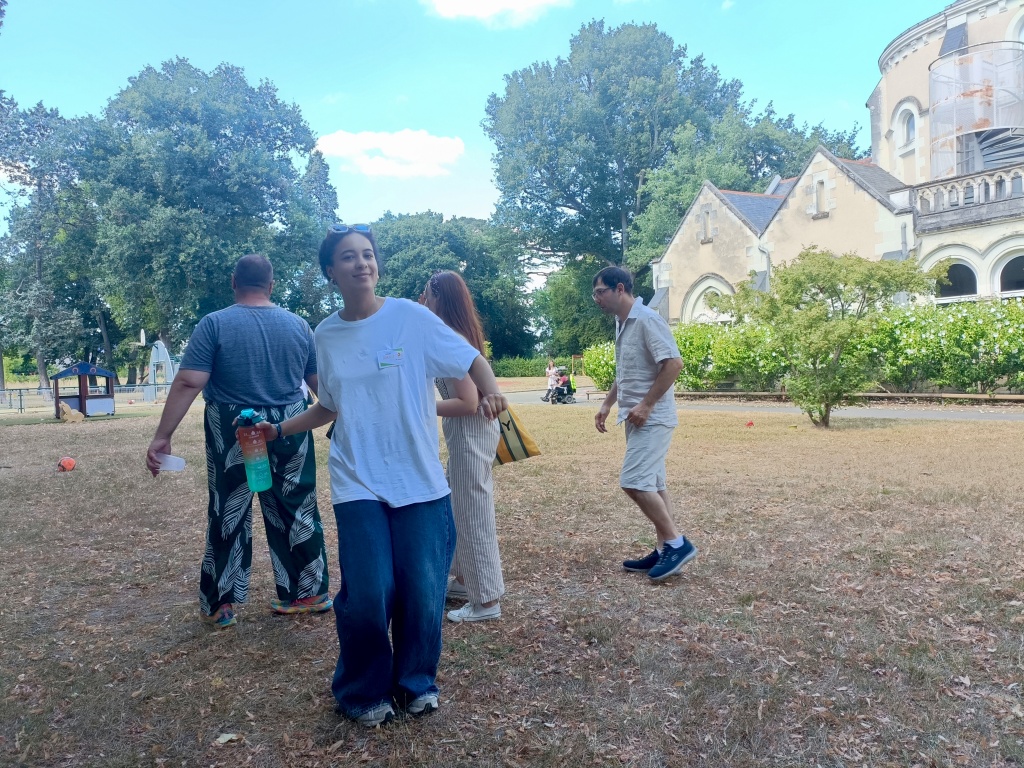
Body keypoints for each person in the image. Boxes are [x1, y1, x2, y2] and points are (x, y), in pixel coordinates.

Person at [252, 224, 509, 728]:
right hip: (357, 478)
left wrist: (493, 390)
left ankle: (416, 683)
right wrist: (278, 429)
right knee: (369, 592)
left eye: (367, 254)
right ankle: (363, 690)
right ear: (331, 271)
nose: (362, 263)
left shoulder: (410, 317)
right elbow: (329, 405)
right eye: (349, 256)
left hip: (419, 479)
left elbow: (470, 358)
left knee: (423, 590)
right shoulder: (325, 334)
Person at [145, 254, 331, 630]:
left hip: (233, 427)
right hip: (288, 424)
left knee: (228, 508)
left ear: (234, 282)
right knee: (297, 506)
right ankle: (308, 593)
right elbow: (320, 386)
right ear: (272, 285)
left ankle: (220, 604)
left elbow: (189, 381)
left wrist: (163, 436)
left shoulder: (214, 324)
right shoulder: (299, 325)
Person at [591, 266, 698, 581]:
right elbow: (626, 370)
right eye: (594, 294)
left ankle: (677, 544)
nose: (596, 299)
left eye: (600, 292)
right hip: (635, 417)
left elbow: (673, 364)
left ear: (619, 288)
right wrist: (607, 404)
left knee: (634, 481)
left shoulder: (648, 320)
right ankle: (664, 548)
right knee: (654, 484)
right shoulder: (622, 322)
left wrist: (647, 404)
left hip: (653, 418)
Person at [420, 271, 504, 623]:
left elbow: (468, 402)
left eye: (426, 294)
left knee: (472, 513)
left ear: (439, 297)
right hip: (470, 431)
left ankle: (486, 601)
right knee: (461, 508)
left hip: (471, 430)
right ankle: (467, 581)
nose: (423, 301)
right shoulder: (454, 333)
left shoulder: (448, 336)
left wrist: (419, 406)